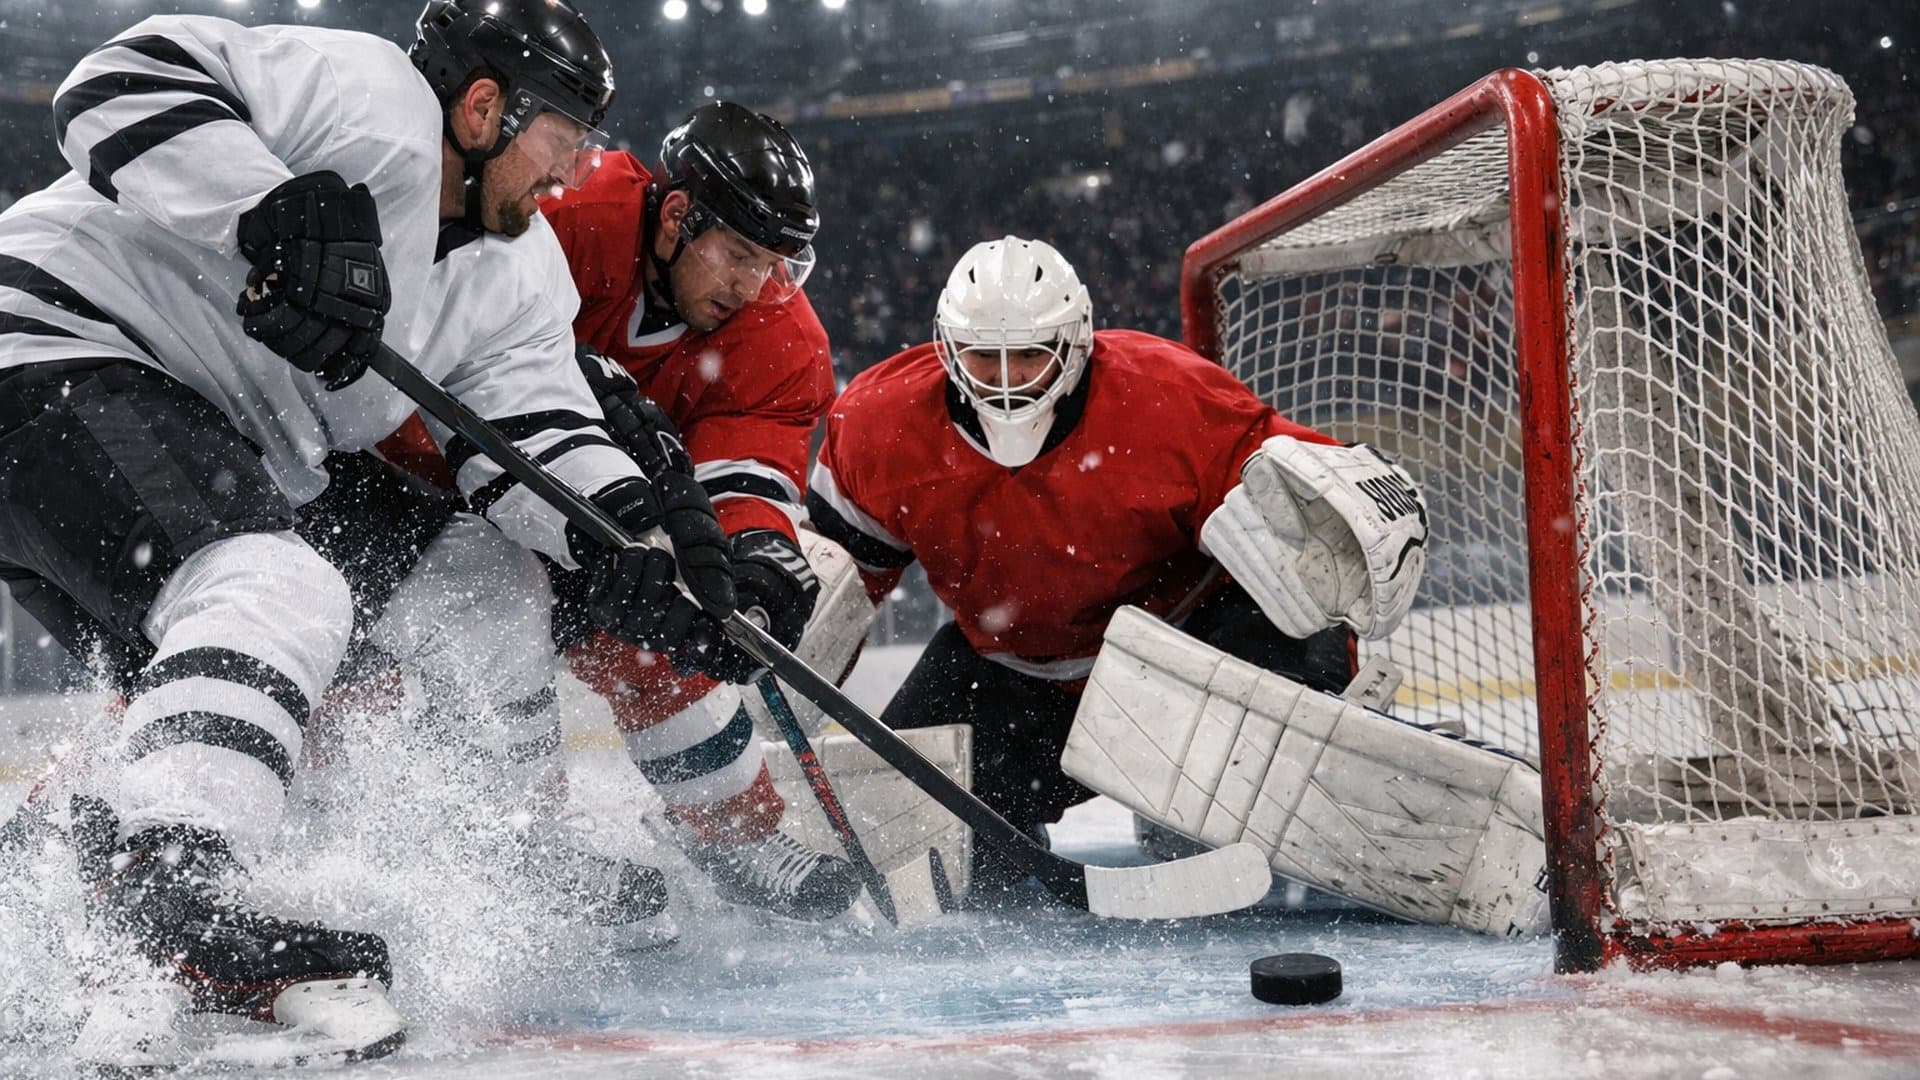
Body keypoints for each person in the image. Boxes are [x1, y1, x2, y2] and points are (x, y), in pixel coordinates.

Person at [0, 0, 734, 1066]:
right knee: (273, 589)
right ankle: (175, 886)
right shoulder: (369, 98)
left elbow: (531, 431)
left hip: (197, 434)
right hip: (51, 348)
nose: (571, 175)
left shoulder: (517, 267)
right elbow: (116, 81)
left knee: (482, 585)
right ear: (484, 108)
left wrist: (631, 544)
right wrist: (271, 209)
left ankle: (58, 872)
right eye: (562, 141)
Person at [805, 236, 1429, 896]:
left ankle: (1294, 789)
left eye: (1030, 355)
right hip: (1015, 673)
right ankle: (1055, 828)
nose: (1009, 379)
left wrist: (1322, 689)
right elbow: (837, 587)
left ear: (1076, 344)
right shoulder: (882, 425)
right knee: (894, 832)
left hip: (1183, 655)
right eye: (986, 356)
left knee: (1294, 740)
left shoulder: (1168, 397)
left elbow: (1312, 532)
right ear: (948, 348)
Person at [379, 102, 860, 921]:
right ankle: (524, 849)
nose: (751, 287)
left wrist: (756, 561)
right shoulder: (567, 213)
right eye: (738, 255)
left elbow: (744, 470)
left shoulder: (779, 333)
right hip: (429, 479)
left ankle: (735, 834)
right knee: (487, 623)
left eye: (773, 265)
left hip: (606, 514)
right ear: (676, 216)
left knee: (672, 629)